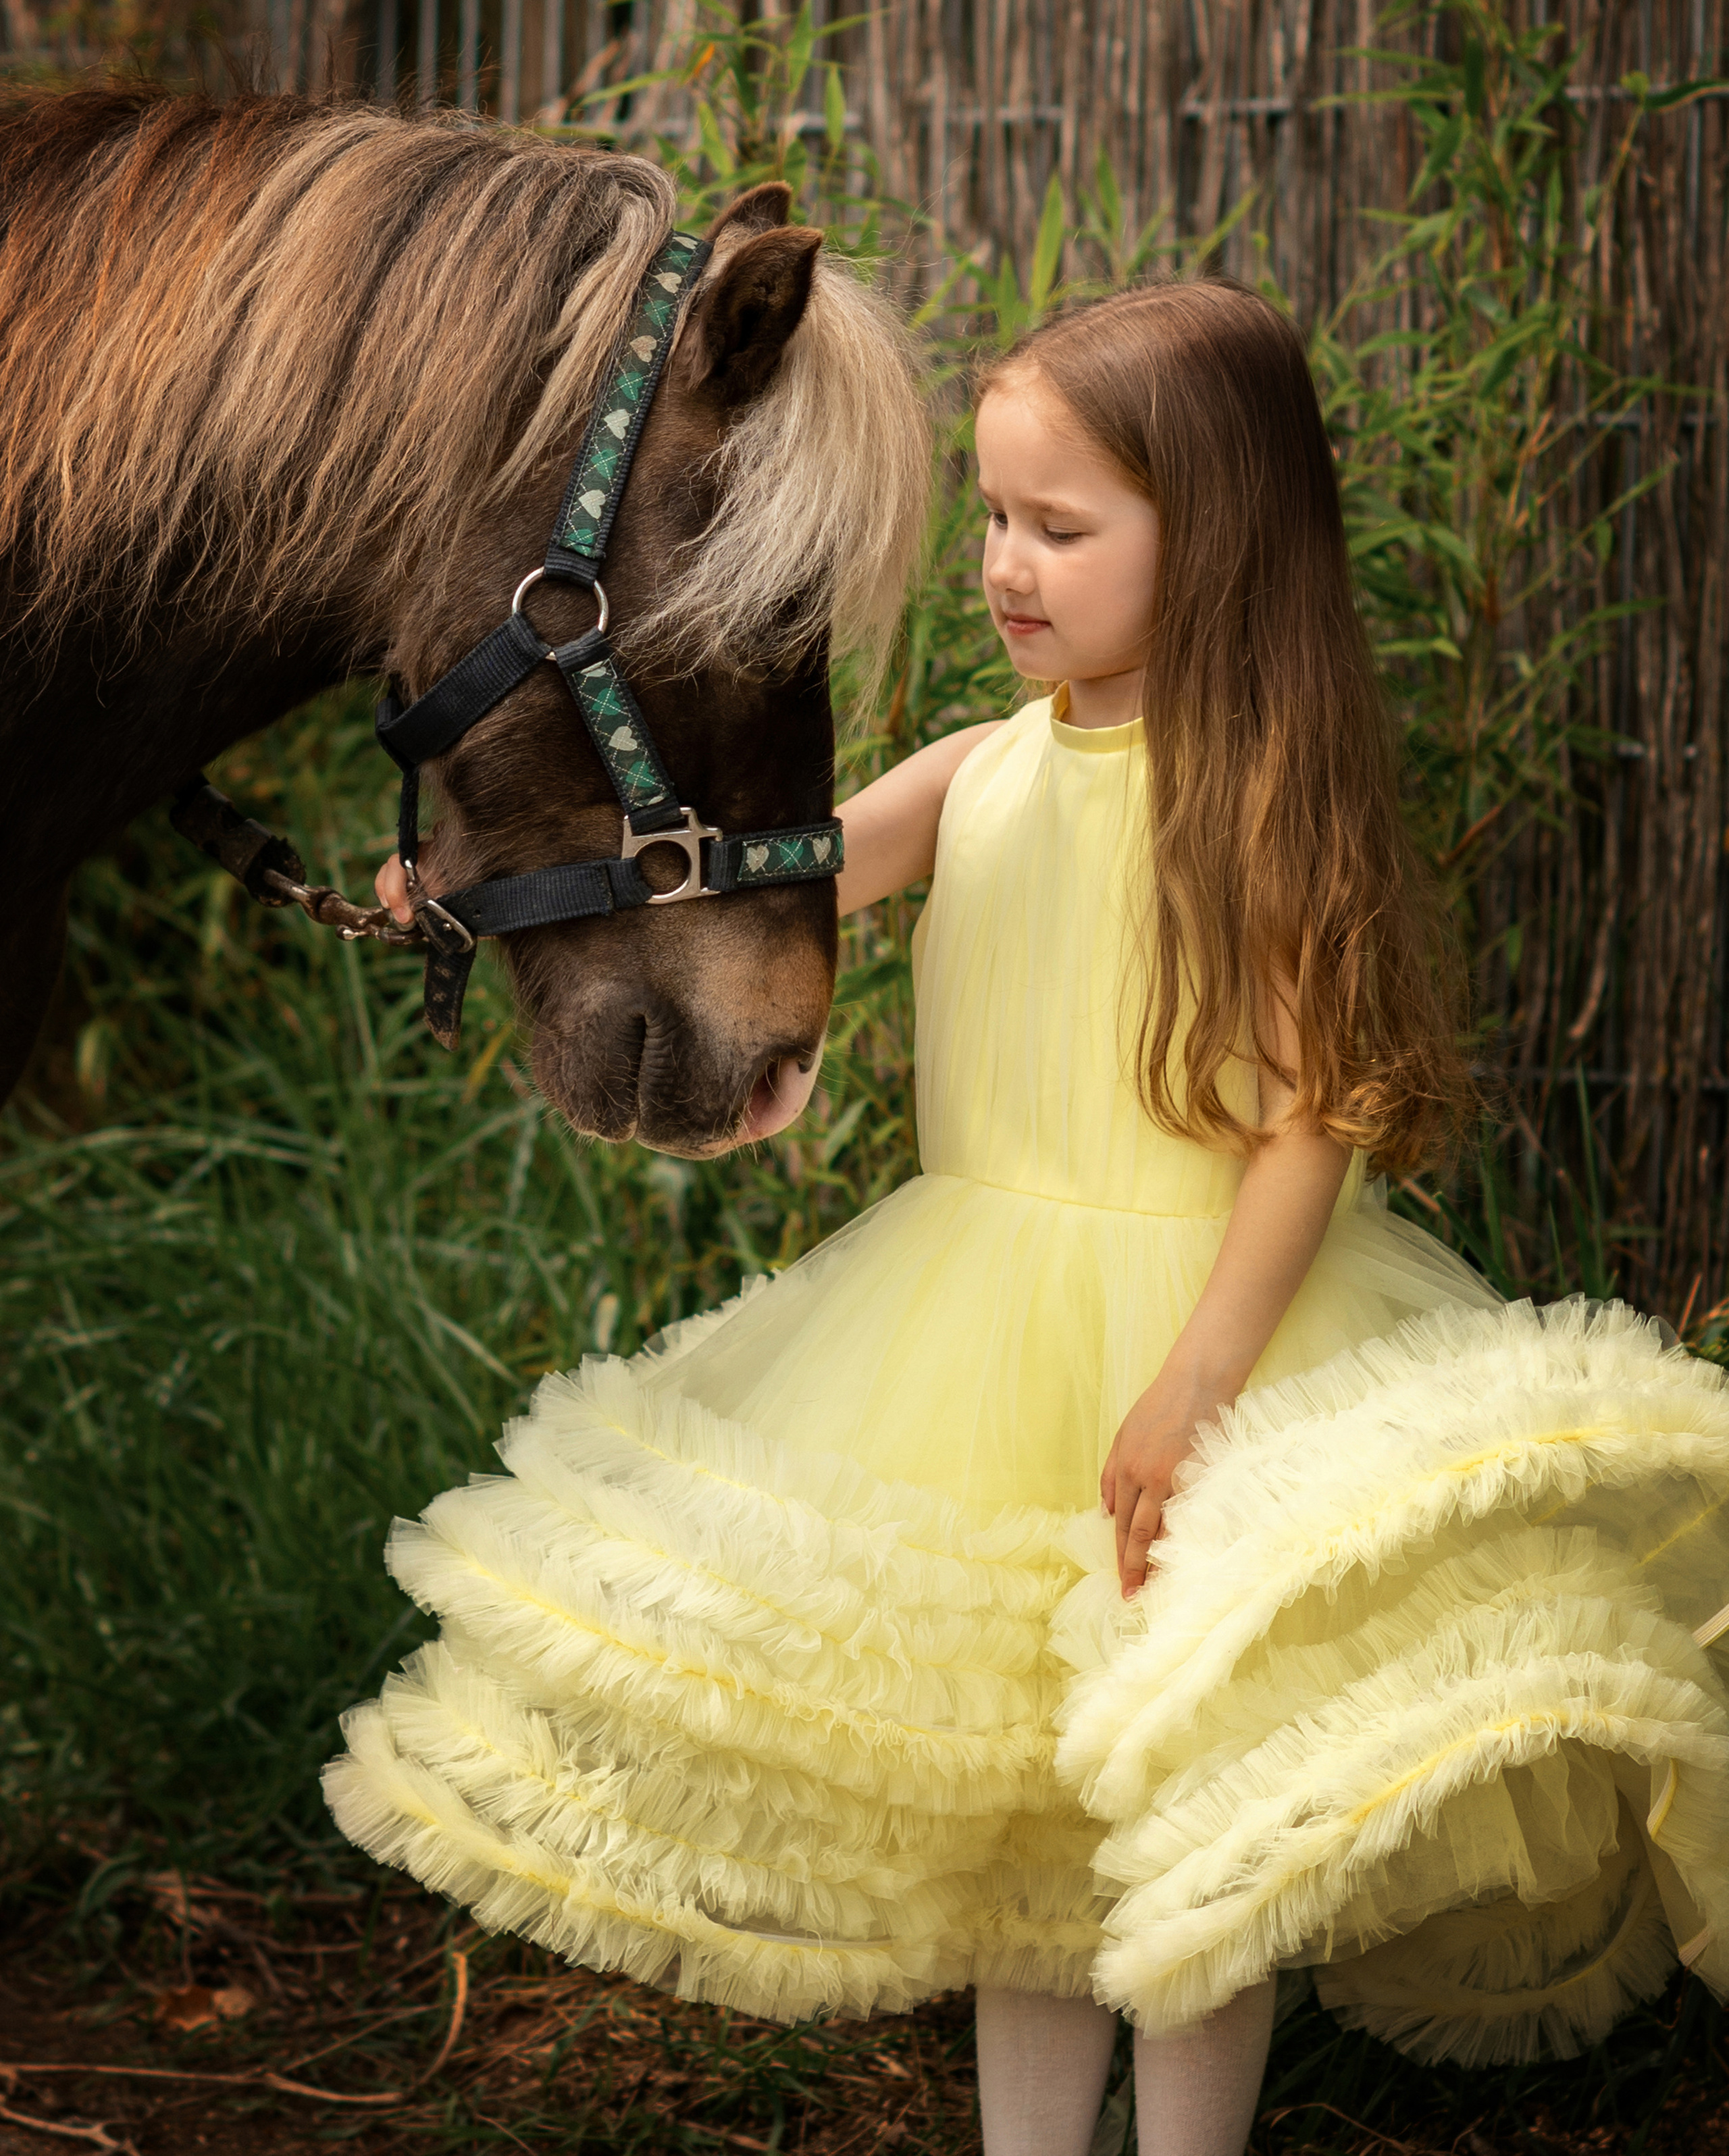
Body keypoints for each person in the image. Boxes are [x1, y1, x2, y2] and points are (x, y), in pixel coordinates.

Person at [328, 278, 1729, 2156]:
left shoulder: (1248, 804)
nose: (1006, 567)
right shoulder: (989, 769)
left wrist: (1199, 1384)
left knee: (1193, 1831)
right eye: (994, 520)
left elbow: (1313, 1121)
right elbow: (750, 866)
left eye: (1060, 530)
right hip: (975, 1350)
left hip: (1212, 1352)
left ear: (1217, 543)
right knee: (1021, 1844)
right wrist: (478, 870)